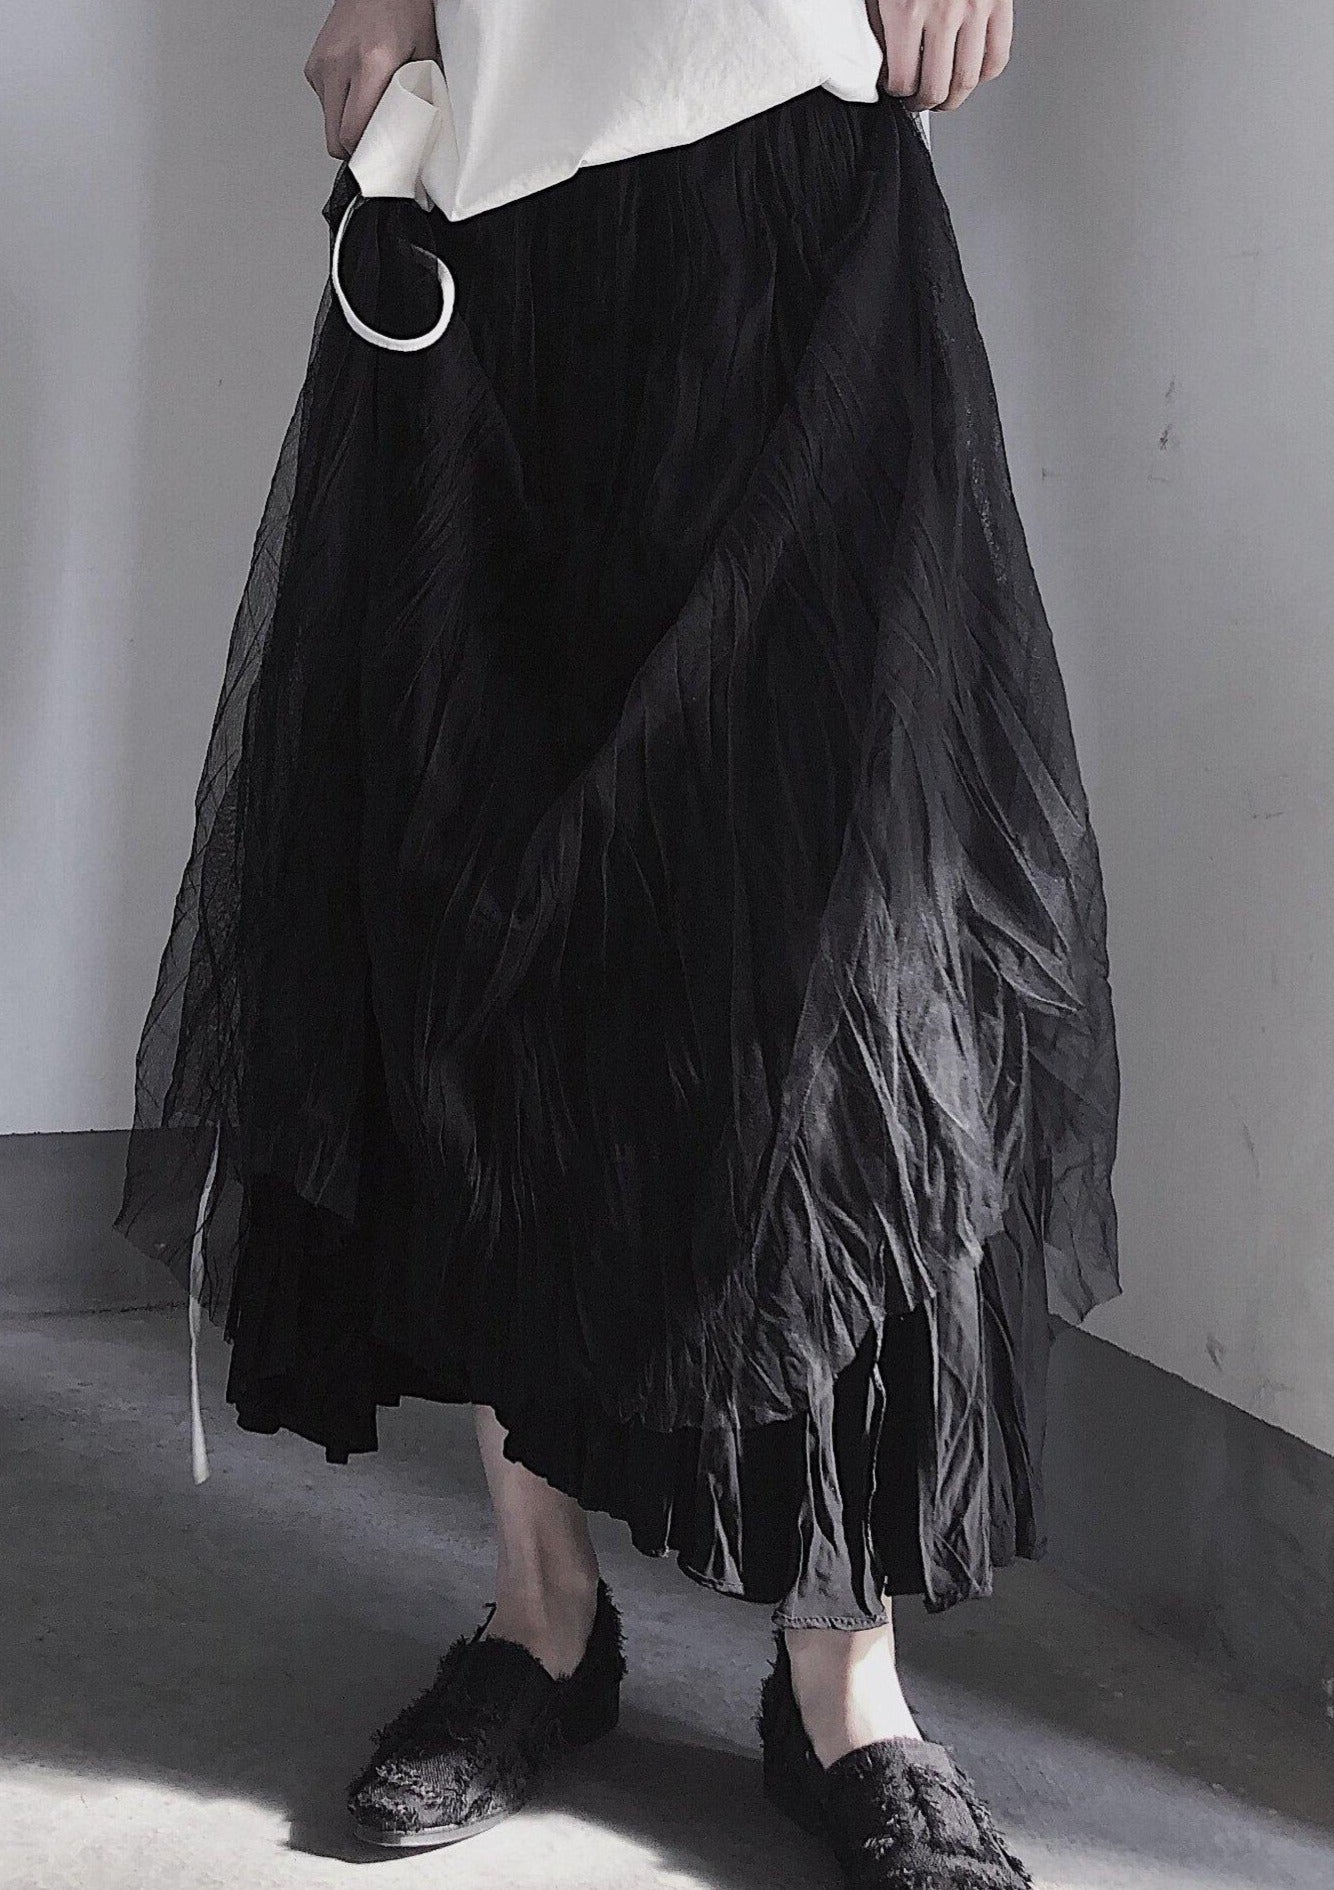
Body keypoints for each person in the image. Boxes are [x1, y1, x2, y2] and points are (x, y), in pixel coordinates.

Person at [115, 2, 1120, 1883]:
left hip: (793, 153)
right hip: (488, 195)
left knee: (845, 956)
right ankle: (542, 1616)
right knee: (481, 929)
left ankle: (845, 1686)